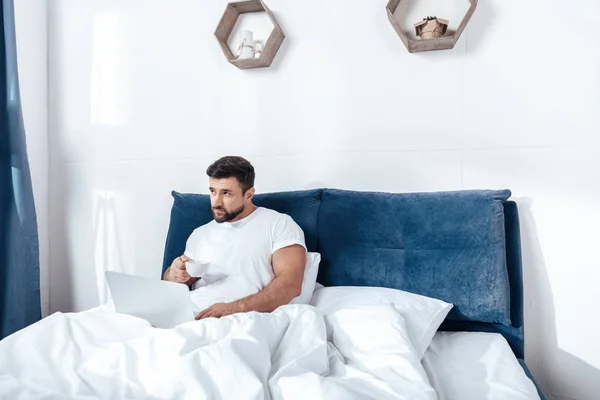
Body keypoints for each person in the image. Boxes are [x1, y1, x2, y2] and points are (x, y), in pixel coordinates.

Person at [162, 156, 307, 320]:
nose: (216, 202)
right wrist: (173, 275)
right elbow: (177, 283)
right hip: (192, 313)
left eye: (226, 193)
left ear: (249, 194)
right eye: (212, 191)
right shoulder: (200, 234)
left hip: (245, 317)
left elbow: (291, 284)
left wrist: (235, 308)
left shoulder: (278, 224)